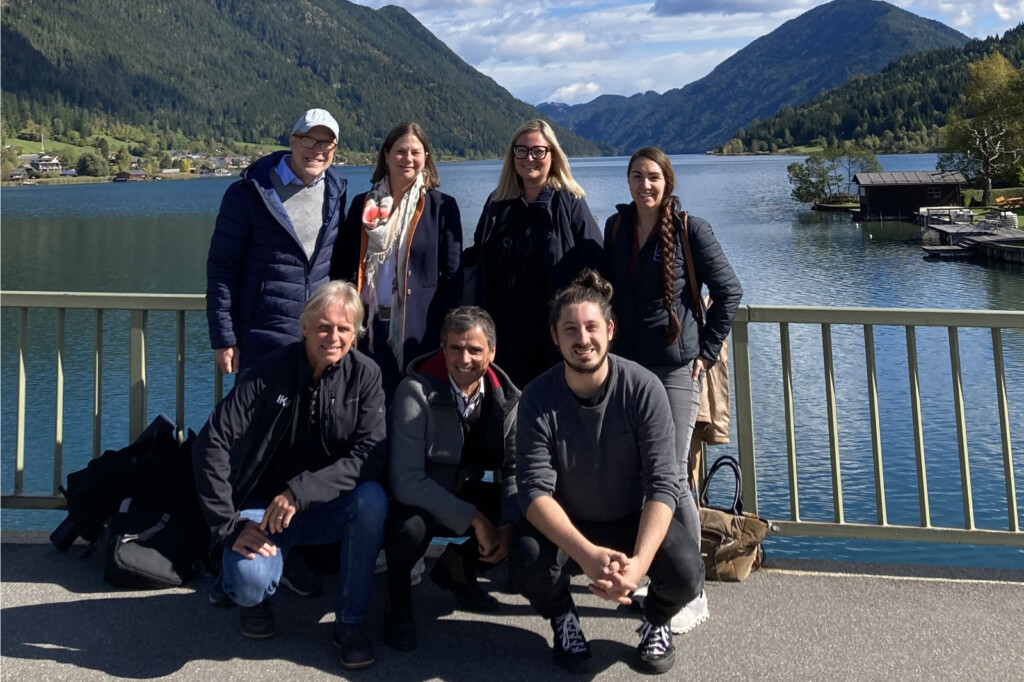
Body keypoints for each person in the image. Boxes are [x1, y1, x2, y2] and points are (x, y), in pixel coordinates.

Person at [508, 270, 704, 676]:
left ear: (610, 330)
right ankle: (563, 617)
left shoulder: (644, 388)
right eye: (570, 329)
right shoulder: (536, 397)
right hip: (570, 523)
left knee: (687, 572)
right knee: (525, 559)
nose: (583, 339)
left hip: (631, 519)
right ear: (555, 336)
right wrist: (586, 554)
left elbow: (663, 484)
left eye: (592, 327)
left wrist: (637, 567)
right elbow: (532, 491)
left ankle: (656, 618)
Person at [192, 281, 388, 671]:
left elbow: (370, 455)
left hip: (322, 506)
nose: (333, 337)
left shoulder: (366, 376)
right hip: (263, 510)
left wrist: (300, 492)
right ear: (304, 326)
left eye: (344, 329)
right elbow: (210, 441)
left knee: (372, 499)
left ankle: (349, 624)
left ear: (356, 333)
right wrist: (227, 526)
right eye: (323, 326)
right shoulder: (269, 371)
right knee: (248, 584)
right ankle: (251, 595)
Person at [601, 147, 741, 633]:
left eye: (654, 177)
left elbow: (730, 291)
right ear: (628, 181)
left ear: (668, 181)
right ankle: (648, 569)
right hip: (627, 370)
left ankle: (691, 585)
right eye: (637, 176)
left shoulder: (689, 229)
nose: (645, 185)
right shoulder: (616, 230)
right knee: (638, 471)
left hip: (677, 371)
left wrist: (706, 351)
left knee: (673, 474)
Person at [381, 306, 520, 651]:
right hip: (422, 497)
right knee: (407, 528)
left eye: (475, 349)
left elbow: (518, 470)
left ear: (492, 351)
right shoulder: (414, 391)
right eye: (455, 348)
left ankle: (456, 569)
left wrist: (509, 525)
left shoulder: (510, 400)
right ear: (442, 347)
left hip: (466, 486)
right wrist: (474, 519)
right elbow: (406, 481)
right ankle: (397, 607)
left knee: (528, 511)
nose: (464, 358)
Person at [207, 108, 347, 376]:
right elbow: (221, 269)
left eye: (325, 143)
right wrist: (224, 338)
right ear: (292, 141)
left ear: (334, 149)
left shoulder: (336, 191)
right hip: (261, 339)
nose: (317, 149)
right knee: (258, 418)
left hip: (319, 339)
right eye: (309, 140)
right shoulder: (248, 192)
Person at [331, 122, 462, 399]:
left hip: (419, 331)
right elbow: (342, 267)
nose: (408, 159)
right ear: (387, 155)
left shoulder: (442, 207)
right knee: (369, 408)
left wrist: (450, 330)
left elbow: (452, 276)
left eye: (416, 152)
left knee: (415, 409)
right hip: (367, 330)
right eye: (401, 151)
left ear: (426, 157)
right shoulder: (363, 205)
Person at [469, 119, 602, 388]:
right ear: (512, 155)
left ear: (552, 155)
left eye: (538, 151)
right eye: (522, 150)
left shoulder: (570, 203)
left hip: (553, 336)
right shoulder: (496, 205)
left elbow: (596, 270)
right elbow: (479, 265)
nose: (530, 158)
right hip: (502, 335)